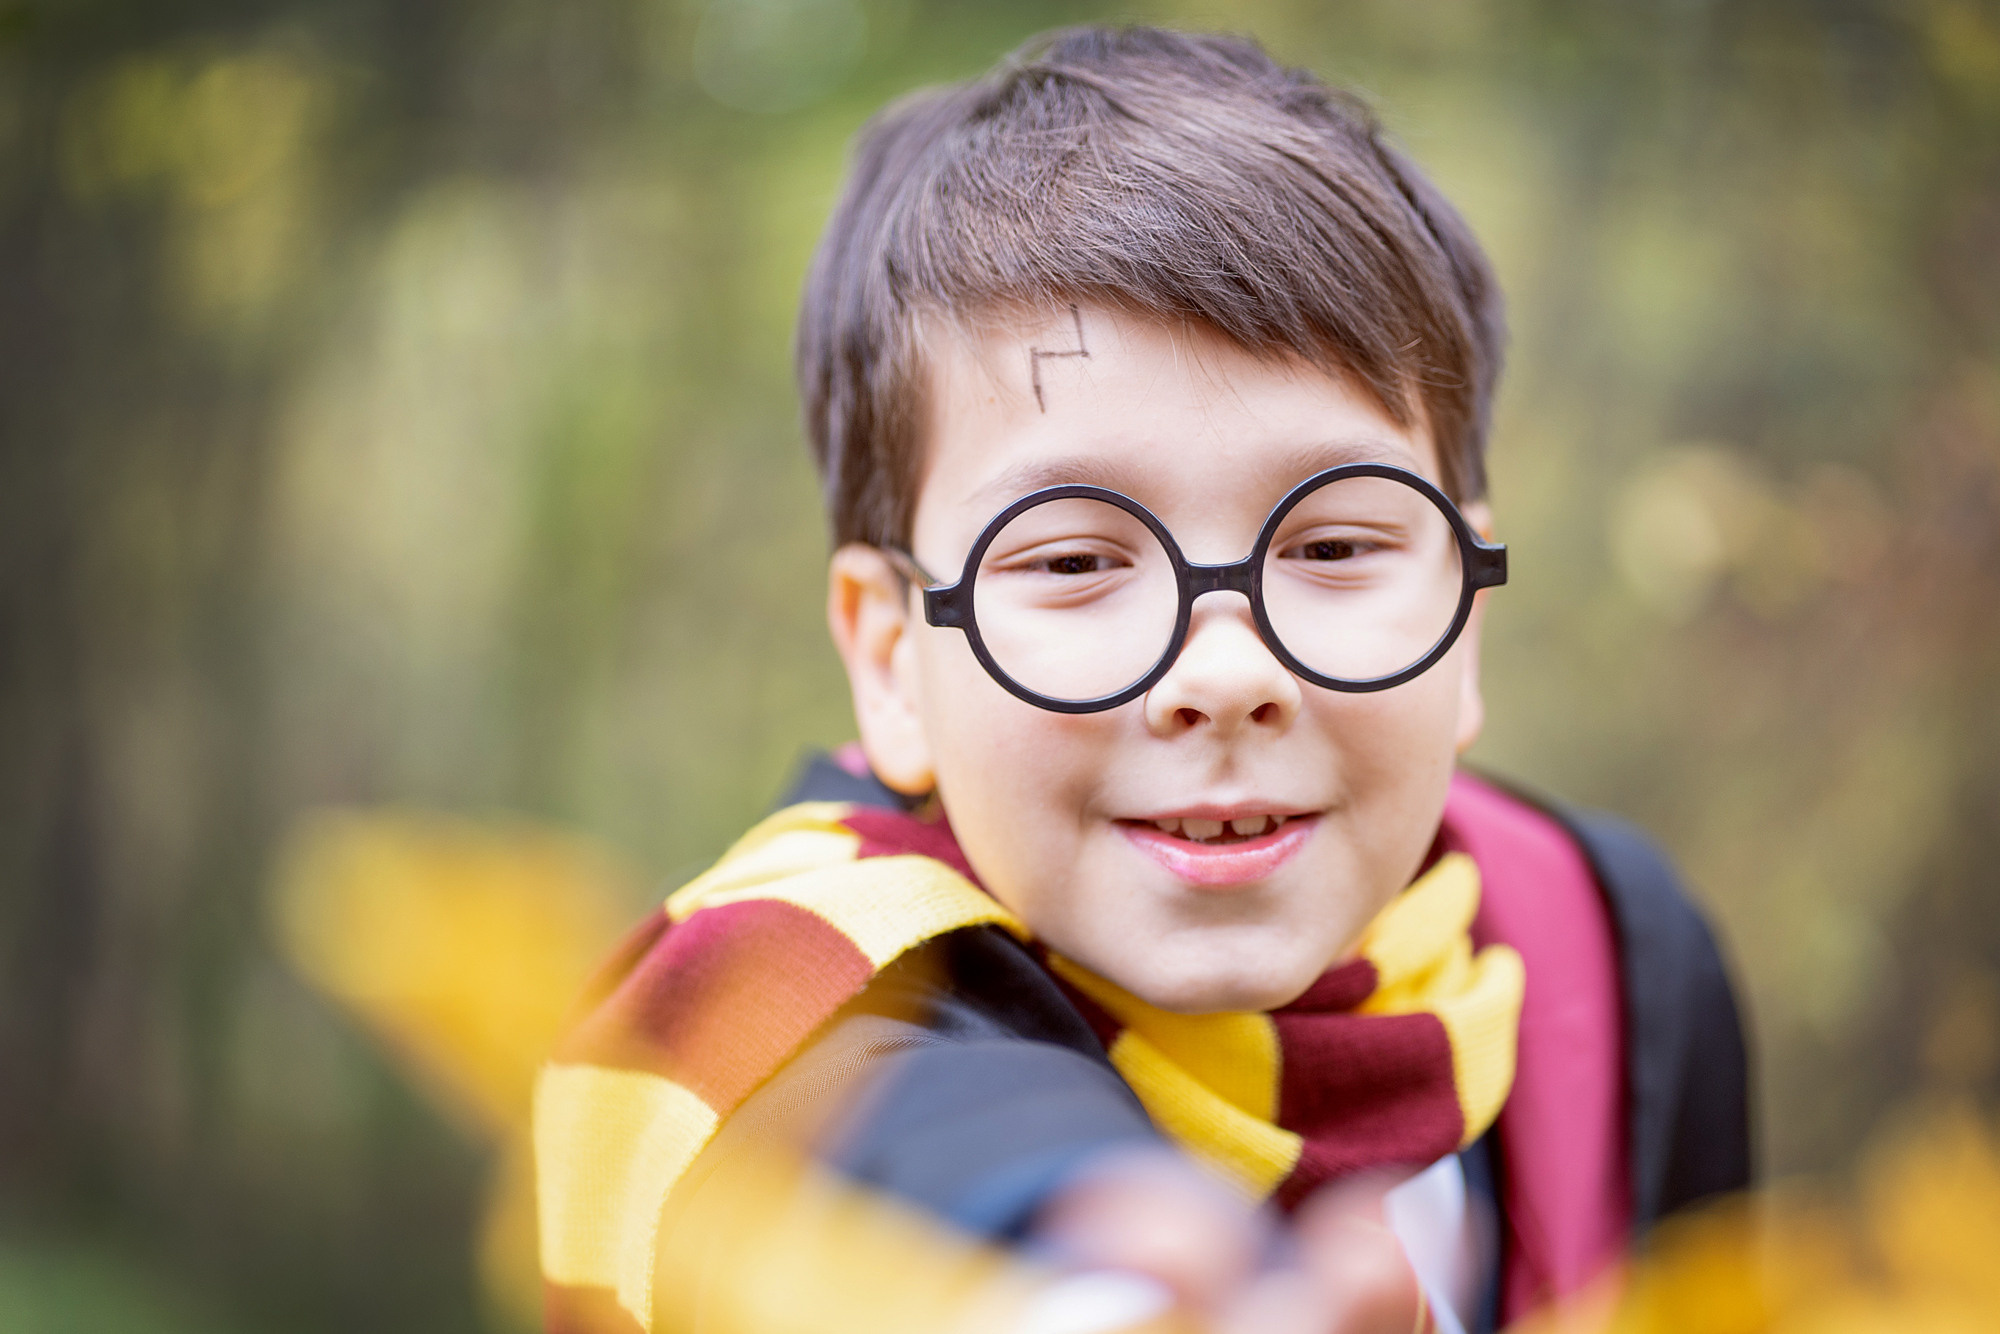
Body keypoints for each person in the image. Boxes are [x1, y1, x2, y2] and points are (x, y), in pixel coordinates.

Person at [533, 25, 1751, 1334]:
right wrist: (1078, 1253)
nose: (1226, 672)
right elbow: (899, 1114)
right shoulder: (796, 987)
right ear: (892, 656)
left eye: (1334, 544)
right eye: (1071, 560)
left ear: (1465, 614)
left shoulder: (1617, 959)